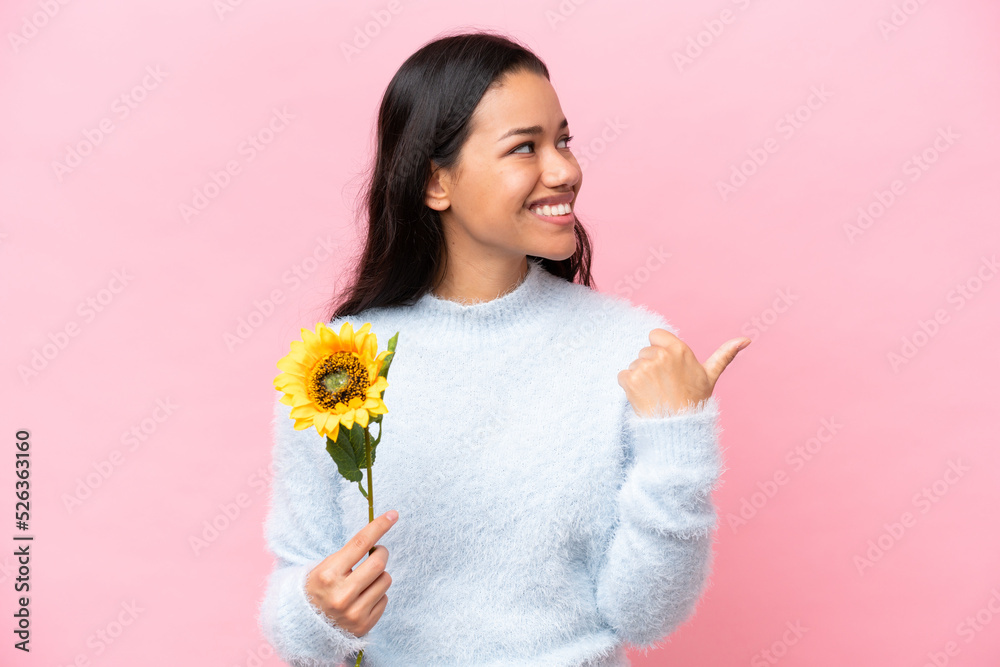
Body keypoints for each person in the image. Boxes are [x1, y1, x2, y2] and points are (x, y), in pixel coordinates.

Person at [257, 29, 749, 667]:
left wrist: (677, 442)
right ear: (437, 183)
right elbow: (294, 584)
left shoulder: (634, 353)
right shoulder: (338, 366)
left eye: (564, 140)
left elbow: (645, 617)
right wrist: (318, 612)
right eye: (526, 148)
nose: (565, 170)